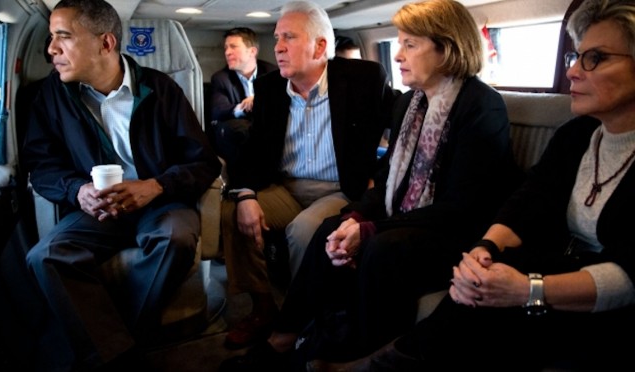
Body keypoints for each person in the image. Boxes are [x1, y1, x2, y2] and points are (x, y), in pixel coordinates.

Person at [309, 0, 635, 370]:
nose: (574, 71)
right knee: (473, 273)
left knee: (400, 255)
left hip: (598, 286)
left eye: (594, 58)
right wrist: (486, 247)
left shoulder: (480, 105)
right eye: (574, 57)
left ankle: (374, 361)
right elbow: (528, 202)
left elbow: (628, 276)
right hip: (557, 257)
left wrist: (530, 289)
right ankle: (326, 340)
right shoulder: (578, 134)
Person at [219, 0, 521, 370]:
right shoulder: (411, 103)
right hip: (410, 218)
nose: (397, 56)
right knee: (333, 228)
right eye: (398, 43)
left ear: (446, 49)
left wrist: (371, 226)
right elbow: (388, 179)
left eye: (410, 45)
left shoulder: (480, 106)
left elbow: (462, 205)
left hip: (457, 231)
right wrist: (358, 214)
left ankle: (353, 348)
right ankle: (285, 336)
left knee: (379, 245)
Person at [21, 0, 221, 370]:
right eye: (51, 38)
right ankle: (121, 354)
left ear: (106, 43)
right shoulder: (51, 95)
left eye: (63, 37)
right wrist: (77, 191)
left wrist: (156, 185)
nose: (51, 49)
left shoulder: (160, 90)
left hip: (160, 202)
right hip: (96, 209)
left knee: (175, 239)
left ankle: (110, 345)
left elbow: (204, 162)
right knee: (44, 256)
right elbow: (42, 167)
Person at [220, 0, 394, 350]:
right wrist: (246, 195)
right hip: (284, 186)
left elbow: (403, 131)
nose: (279, 47)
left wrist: (379, 175)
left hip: (339, 188)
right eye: (276, 38)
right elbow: (252, 153)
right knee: (230, 213)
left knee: (303, 231)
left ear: (320, 47)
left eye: (289, 37)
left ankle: (306, 321)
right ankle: (264, 309)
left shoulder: (363, 79)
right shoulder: (269, 89)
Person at [210, 27, 277, 171]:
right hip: (240, 132)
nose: (227, 52)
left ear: (252, 51)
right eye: (226, 48)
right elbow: (217, 110)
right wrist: (242, 106)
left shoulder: (272, 73)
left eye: (233, 47)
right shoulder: (221, 78)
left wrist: (258, 99)